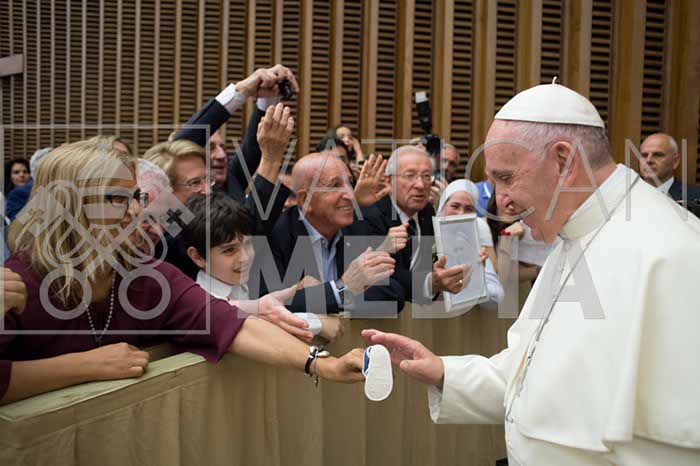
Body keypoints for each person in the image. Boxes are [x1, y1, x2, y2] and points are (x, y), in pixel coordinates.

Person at [362, 82, 700, 465]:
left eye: (506, 178)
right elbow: (528, 376)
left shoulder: (674, 254)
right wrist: (443, 372)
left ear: (563, 161)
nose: (500, 202)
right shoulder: (574, 235)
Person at [0, 137, 363, 405]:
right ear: (70, 207)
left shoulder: (146, 276)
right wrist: (85, 366)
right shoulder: (18, 282)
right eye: (116, 199)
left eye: (135, 198)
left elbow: (229, 323)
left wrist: (322, 365)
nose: (134, 213)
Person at [182, 192, 344, 342]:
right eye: (229, 250)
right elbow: (252, 327)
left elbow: (269, 306)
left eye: (248, 244)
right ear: (197, 257)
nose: (245, 258)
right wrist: (316, 322)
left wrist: (298, 291)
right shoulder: (200, 302)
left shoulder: (249, 280)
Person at [263, 152, 403, 317]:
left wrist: (337, 293)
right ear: (305, 199)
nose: (350, 195)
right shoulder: (276, 235)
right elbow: (270, 306)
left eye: (349, 183)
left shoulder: (355, 227)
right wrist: (344, 287)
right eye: (335, 185)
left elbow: (393, 294)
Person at [362, 146, 471, 304]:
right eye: (410, 176)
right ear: (388, 180)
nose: (420, 185)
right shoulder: (371, 216)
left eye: (426, 176)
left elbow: (432, 263)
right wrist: (430, 283)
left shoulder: (427, 211)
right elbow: (384, 277)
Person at [436, 179, 503, 303]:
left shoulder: (478, 232)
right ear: (443, 205)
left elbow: (497, 294)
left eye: (468, 208)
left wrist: (477, 271)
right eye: (455, 206)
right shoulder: (427, 230)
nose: (461, 213)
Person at [639, 132, 700, 204]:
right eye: (644, 155)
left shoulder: (695, 196)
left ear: (675, 161)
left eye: (658, 155)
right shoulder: (628, 193)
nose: (648, 160)